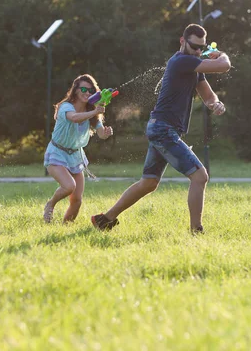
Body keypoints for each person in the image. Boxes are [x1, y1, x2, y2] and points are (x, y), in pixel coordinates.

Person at [91, 24, 230, 233]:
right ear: (182, 41)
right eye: (194, 46)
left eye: (202, 48)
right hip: (164, 129)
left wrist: (215, 104)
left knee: (149, 183)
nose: (199, 52)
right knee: (200, 176)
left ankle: (105, 219)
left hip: (160, 128)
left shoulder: (193, 65)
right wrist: (221, 55)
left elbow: (209, 96)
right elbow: (224, 65)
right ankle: (197, 231)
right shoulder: (180, 61)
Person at [43, 74, 113, 224]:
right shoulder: (66, 107)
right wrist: (95, 112)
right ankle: (51, 204)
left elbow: (100, 133)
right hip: (57, 152)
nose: (87, 93)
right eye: (83, 89)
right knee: (69, 186)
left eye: (90, 90)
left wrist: (106, 133)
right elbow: (74, 118)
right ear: (75, 90)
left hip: (75, 156)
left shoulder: (92, 110)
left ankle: (65, 229)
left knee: (77, 200)